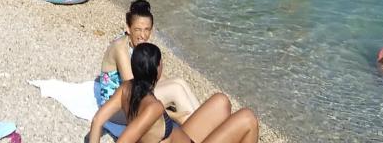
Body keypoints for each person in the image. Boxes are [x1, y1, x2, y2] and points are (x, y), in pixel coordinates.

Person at [88, 43, 258, 143]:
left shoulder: (127, 87)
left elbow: (97, 120)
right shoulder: (152, 108)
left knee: (221, 101)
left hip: (184, 138)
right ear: (158, 68)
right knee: (248, 118)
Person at [93, 1, 199, 121]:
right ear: (128, 28)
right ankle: (195, 132)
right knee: (175, 90)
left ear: (151, 30)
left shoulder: (140, 47)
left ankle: (200, 121)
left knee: (179, 82)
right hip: (116, 111)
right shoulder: (120, 48)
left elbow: (156, 77)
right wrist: (169, 112)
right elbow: (132, 88)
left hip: (132, 101)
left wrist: (170, 85)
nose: (143, 35)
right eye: (138, 29)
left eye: (146, 29)